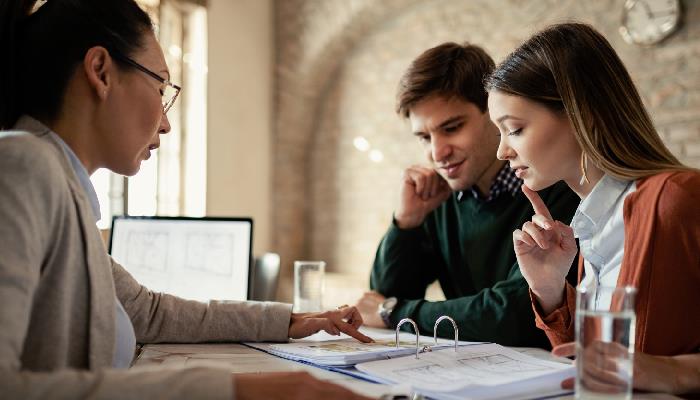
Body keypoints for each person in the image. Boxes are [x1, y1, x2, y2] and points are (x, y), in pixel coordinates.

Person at [0, 1, 372, 399]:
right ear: (100, 71)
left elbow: (150, 313)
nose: (166, 121)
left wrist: (290, 320)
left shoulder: (62, 191)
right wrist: (233, 391)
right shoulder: (23, 166)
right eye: (160, 88)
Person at [485, 22, 700, 395]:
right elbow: (594, 367)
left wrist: (675, 372)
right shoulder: (590, 223)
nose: (502, 151)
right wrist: (550, 289)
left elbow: (643, 366)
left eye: (514, 129)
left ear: (578, 114)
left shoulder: (677, 199)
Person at [354, 42, 580, 347]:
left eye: (452, 128)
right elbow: (382, 298)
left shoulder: (557, 185)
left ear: (494, 112)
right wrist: (406, 223)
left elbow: (514, 315)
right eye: (424, 137)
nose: (437, 153)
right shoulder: (438, 199)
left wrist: (395, 312)